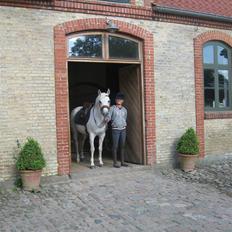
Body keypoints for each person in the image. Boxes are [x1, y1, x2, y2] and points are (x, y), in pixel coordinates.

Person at [105, 92, 128, 168]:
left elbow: (125, 118)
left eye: (120, 99)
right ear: (115, 100)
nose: (119, 100)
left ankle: (122, 162)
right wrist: (107, 119)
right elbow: (108, 116)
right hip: (115, 130)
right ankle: (115, 163)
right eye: (117, 99)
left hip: (123, 129)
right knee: (115, 146)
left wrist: (124, 124)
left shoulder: (124, 109)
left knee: (122, 146)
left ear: (122, 101)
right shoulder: (112, 108)